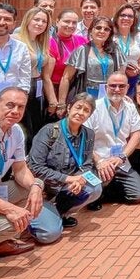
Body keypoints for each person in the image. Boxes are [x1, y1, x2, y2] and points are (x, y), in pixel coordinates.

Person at [0, 87, 54, 276]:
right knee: (12, 223)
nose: (15, 111)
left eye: (20, 107)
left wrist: (36, 186)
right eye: (10, 105)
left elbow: (20, 169)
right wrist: (10, 209)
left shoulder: (16, 132)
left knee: (26, 192)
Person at [28, 93, 102, 229]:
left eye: (86, 111)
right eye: (78, 107)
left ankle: (61, 213)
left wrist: (81, 180)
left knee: (95, 187)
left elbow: (86, 164)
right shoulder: (49, 131)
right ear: (69, 108)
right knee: (49, 233)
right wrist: (68, 179)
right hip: (44, 187)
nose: (81, 113)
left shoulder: (88, 134)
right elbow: (35, 167)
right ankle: (44, 214)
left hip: (68, 185)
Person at [85, 72, 140, 209]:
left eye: (121, 86)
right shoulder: (94, 108)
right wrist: (100, 161)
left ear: (127, 87)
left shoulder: (130, 107)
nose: (117, 89)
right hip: (99, 163)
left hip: (121, 161)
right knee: (90, 193)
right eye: (113, 86)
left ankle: (106, 190)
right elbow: (85, 140)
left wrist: (122, 156)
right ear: (106, 87)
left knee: (139, 195)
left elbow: (136, 135)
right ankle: (99, 190)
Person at [58, 16, 126, 107]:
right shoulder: (82, 50)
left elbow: (121, 78)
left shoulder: (116, 50)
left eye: (106, 29)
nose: (102, 31)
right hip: (87, 96)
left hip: (110, 96)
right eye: (98, 28)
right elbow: (66, 78)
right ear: (91, 30)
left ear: (110, 33)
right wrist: (61, 104)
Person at [13, 6, 53, 149]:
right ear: (28, 20)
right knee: (24, 129)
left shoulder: (40, 42)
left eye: (44, 21)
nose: (40, 23)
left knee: (35, 127)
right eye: (36, 19)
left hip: (37, 88)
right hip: (22, 88)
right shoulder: (15, 40)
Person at [49, 9, 88, 115]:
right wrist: (57, 102)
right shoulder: (50, 43)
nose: (70, 25)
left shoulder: (82, 41)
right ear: (57, 22)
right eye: (66, 21)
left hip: (76, 89)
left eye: (74, 22)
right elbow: (46, 77)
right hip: (54, 90)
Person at [112, 3, 140, 97]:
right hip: (114, 81)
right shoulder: (110, 36)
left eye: (130, 16)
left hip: (133, 80)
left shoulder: (139, 36)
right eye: (123, 15)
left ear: (134, 20)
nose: (126, 18)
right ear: (117, 18)